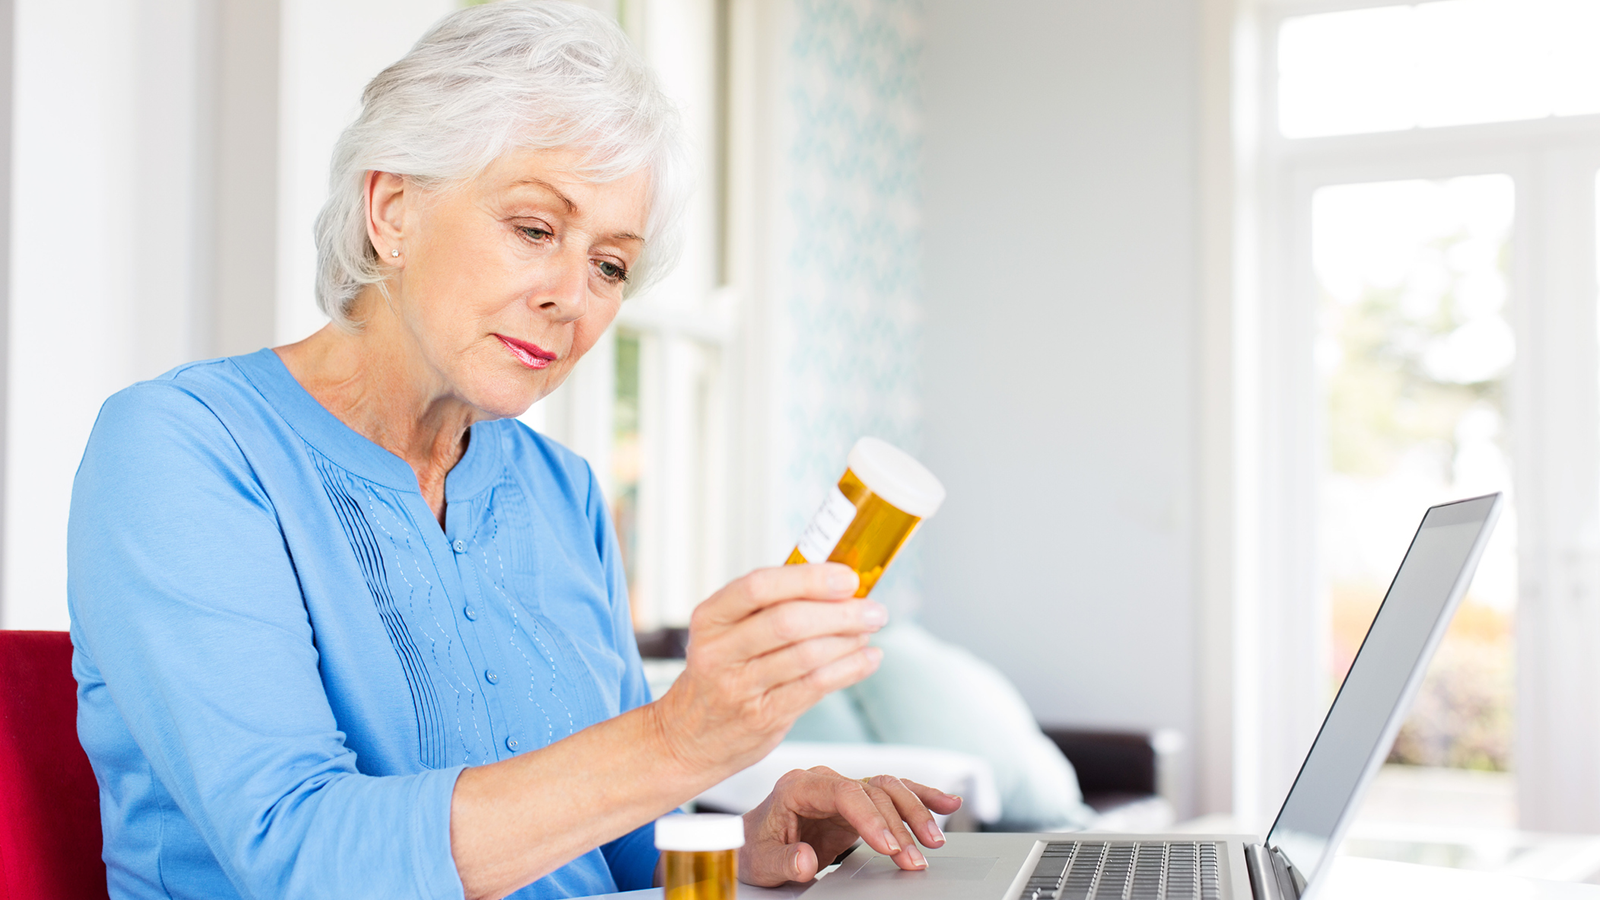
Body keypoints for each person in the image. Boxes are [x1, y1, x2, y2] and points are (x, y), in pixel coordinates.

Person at [65, 4, 958, 900]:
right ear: (392, 211)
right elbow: (298, 856)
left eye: (611, 265)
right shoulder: (182, 449)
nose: (573, 296)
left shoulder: (561, 493)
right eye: (535, 228)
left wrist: (749, 847)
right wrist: (677, 738)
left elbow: (609, 859)